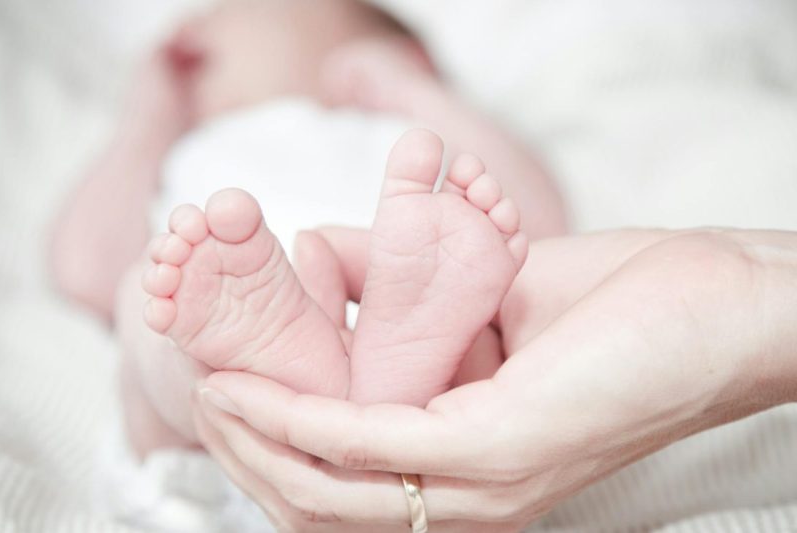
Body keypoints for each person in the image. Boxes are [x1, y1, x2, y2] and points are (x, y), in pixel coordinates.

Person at [50, 0, 566, 458]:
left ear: (395, 52)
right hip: (219, 435)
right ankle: (288, 372)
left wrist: (415, 91)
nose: (198, 31)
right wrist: (150, 116)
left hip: (425, 397)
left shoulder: (401, 128)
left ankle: (366, 375)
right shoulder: (189, 147)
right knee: (147, 306)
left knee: (489, 309)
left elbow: (535, 228)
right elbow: (84, 271)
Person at [191, 226, 797, 531]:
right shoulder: (191, 126)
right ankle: (354, 375)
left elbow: (525, 215)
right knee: (182, 336)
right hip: (265, 279)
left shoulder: (420, 95)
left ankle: (332, 380)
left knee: (186, 358)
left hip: (287, 277)